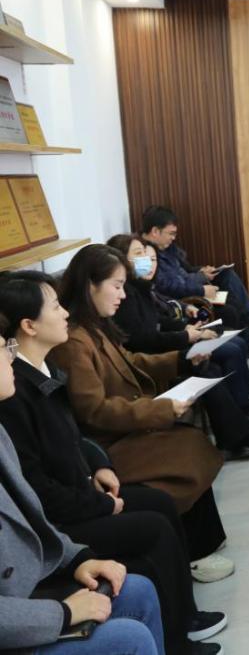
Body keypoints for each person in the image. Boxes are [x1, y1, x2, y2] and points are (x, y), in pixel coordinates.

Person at [0, 272, 226, 653]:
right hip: (64, 515)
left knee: (159, 505)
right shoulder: (17, 396)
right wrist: (100, 505)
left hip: (78, 492)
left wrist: (99, 465)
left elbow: (73, 435)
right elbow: (39, 495)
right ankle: (176, 636)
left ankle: (183, 619)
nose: (65, 313)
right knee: (152, 527)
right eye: (55, 307)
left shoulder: (42, 370)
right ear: (29, 325)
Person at [0, 321, 166, 655]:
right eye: (3, 349)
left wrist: (76, 559)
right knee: (129, 639)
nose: (10, 357)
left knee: (137, 590)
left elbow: (30, 519)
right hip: (15, 614)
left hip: (24, 589)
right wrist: (62, 613)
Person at [107, 234, 249, 422]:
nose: (147, 261)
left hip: (173, 334)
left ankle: (244, 404)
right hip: (161, 351)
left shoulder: (141, 286)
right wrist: (186, 335)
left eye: (150, 257)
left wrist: (186, 326)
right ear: (121, 260)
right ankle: (242, 410)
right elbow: (144, 338)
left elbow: (158, 319)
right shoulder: (126, 296)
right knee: (230, 349)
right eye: (139, 254)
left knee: (234, 339)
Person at [141, 205, 249, 334]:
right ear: (155, 231)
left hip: (190, 285)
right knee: (230, 308)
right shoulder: (144, 254)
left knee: (226, 275)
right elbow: (167, 286)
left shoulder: (167, 247)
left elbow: (187, 269)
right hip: (182, 298)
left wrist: (202, 271)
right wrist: (202, 288)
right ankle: (246, 334)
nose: (173, 238)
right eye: (171, 233)